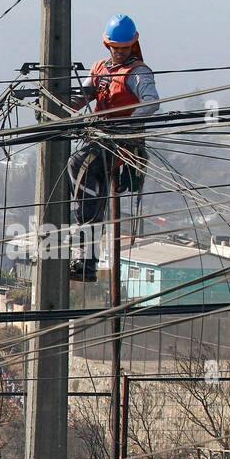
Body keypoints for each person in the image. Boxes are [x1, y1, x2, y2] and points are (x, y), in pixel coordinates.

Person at [67, 14, 160, 282]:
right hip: (100, 138)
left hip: (122, 143)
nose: (119, 53)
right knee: (80, 183)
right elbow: (83, 97)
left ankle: (86, 255)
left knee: (79, 165)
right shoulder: (99, 68)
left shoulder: (138, 72)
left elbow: (151, 102)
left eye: (124, 48)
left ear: (133, 45)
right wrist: (60, 109)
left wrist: (127, 125)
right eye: (115, 48)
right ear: (107, 46)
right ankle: (83, 251)